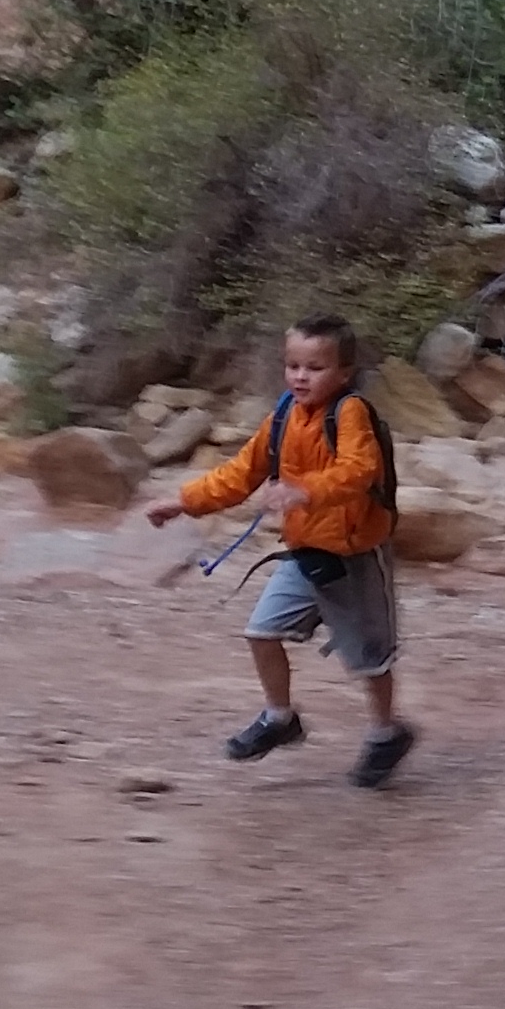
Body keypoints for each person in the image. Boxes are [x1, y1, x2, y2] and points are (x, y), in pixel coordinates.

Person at [174, 315, 415, 787]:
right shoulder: (283, 415)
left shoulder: (350, 413)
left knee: (371, 658)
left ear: (344, 373)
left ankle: (386, 732)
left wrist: (305, 491)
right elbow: (240, 473)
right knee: (261, 633)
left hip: (356, 558)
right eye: (294, 366)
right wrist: (181, 502)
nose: (301, 377)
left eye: (316, 367)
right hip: (305, 555)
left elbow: (359, 469)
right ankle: (280, 718)